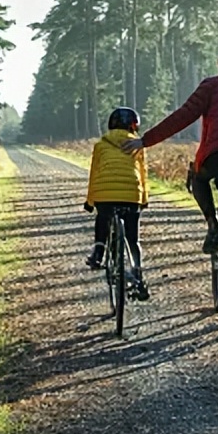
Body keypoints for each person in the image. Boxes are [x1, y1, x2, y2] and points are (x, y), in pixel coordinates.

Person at [122, 47, 218, 299]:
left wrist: (145, 141)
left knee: (198, 177)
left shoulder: (212, 85)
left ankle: (213, 225)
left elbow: (184, 116)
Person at [84, 106, 150, 301]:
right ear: (134, 126)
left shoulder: (100, 146)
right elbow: (143, 174)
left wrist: (90, 201)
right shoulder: (138, 145)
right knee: (132, 238)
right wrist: (144, 199)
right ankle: (138, 273)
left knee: (102, 219)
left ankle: (98, 250)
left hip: (105, 194)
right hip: (132, 194)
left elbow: (94, 175)